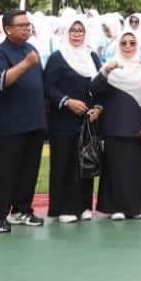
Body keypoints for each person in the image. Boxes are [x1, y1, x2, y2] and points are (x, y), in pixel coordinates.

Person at [0, 9, 48, 232]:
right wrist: (25, 64)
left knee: (28, 171)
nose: (26, 28)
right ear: (8, 29)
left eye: (27, 24)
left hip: (33, 122)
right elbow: (1, 81)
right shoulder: (0, 53)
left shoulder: (31, 49)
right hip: (8, 125)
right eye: (21, 25)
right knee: (4, 173)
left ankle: (22, 210)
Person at [91, 30, 141, 219]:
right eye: (124, 43)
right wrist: (106, 71)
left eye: (132, 43)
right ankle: (116, 208)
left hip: (137, 127)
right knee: (114, 168)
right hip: (114, 125)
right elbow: (94, 90)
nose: (128, 47)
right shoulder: (109, 66)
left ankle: (137, 208)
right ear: (118, 45)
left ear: (138, 46)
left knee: (135, 169)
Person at [44, 17, 101, 222]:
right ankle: (64, 208)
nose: (76, 34)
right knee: (64, 162)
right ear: (66, 33)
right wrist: (67, 101)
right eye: (73, 30)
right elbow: (48, 86)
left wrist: (98, 108)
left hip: (87, 121)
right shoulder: (57, 58)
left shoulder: (92, 57)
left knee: (85, 161)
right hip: (63, 119)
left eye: (80, 30)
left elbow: (99, 85)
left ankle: (85, 205)